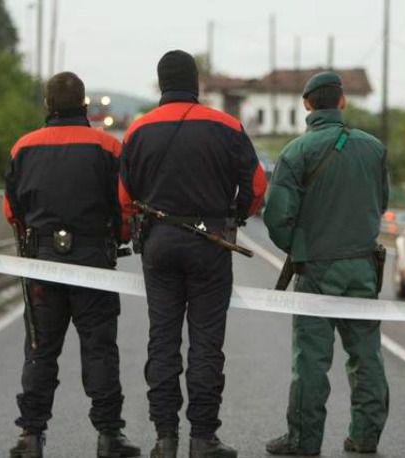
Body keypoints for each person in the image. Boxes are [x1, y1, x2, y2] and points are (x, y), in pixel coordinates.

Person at [119, 50, 267, 458]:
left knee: (162, 340)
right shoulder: (227, 126)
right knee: (206, 343)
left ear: (161, 82)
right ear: (196, 82)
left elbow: (124, 197)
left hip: (159, 244)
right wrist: (235, 214)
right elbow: (255, 186)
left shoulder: (137, 130)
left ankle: (164, 438)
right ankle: (203, 438)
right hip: (210, 242)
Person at [3, 72, 140, 458]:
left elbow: (11, 210)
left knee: (41, 349)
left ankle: (30, 435)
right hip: (94, 261)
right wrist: (121, 236)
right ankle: (110, 435)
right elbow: (124, 207)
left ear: (47, 106)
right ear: (84, 106)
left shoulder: (23, 148)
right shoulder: (108, 147)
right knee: (99, 348)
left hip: (42, 264)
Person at [263, 71, 390, 455]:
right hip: (363, 267)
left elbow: (275, 217)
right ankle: (365, 437)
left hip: (317, 269)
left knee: (312, 360)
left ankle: (304, 440)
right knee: (366, 354)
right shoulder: (374, 148)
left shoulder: (297, 152)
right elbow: (380, 203)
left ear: (306, 104)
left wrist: (300, 248)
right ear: (343, 102)